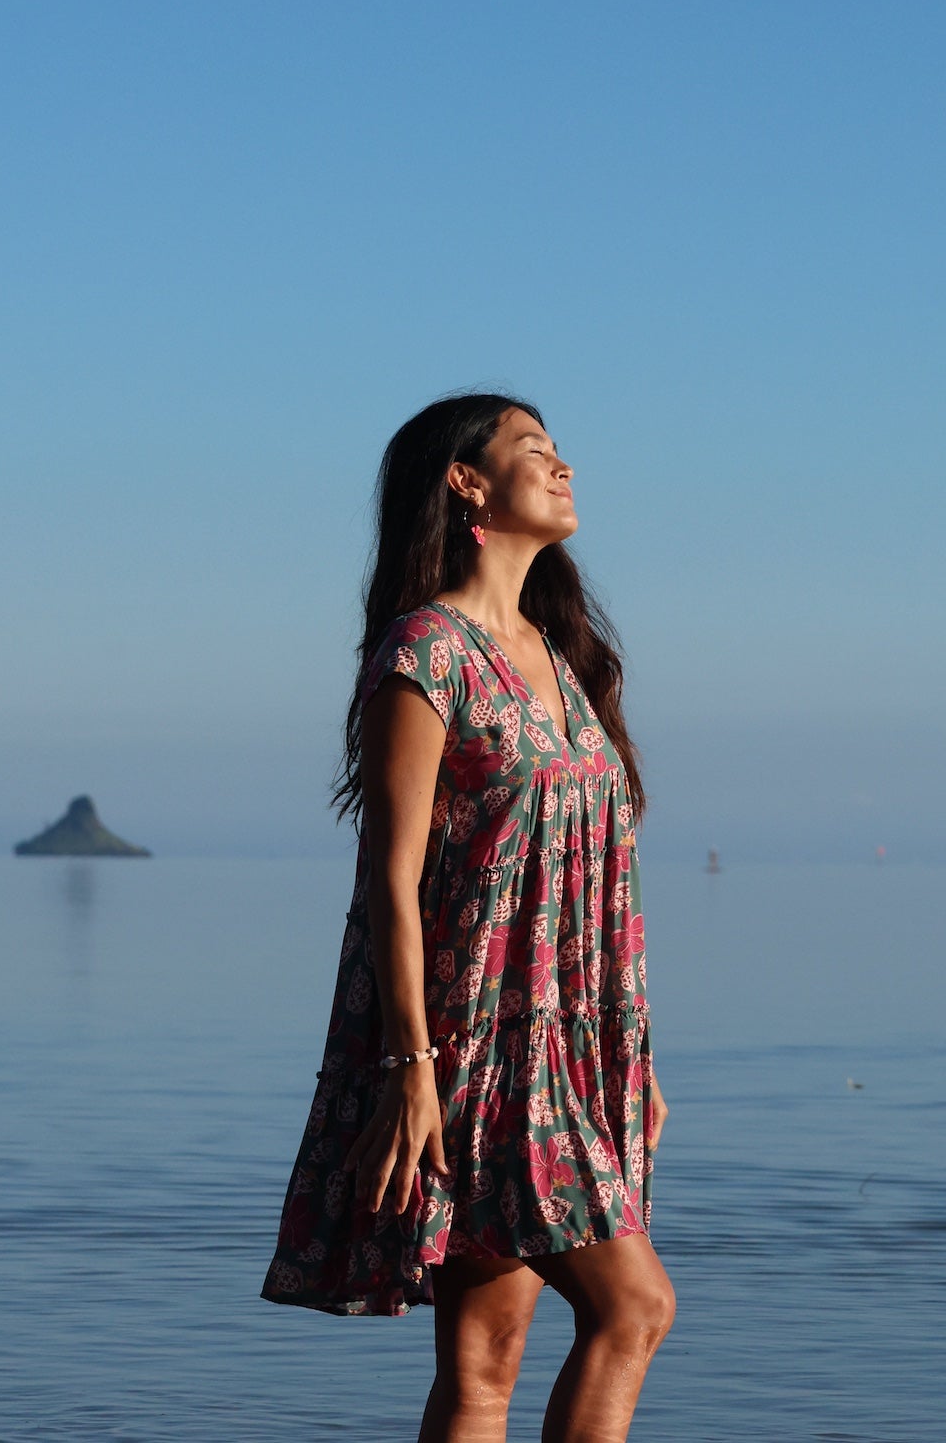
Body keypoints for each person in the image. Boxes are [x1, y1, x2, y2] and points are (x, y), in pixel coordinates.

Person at [262, 392, 673, 1441]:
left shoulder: (564, 656)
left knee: (485, 1363)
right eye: (534, 448)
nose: (563, 465)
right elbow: (389, 879)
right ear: (467, 481)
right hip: (481, 1051)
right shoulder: (426, 652)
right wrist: (412, 1070)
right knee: (634, 1309)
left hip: (570, 1051)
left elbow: (586, 881)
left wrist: (630, 1064)